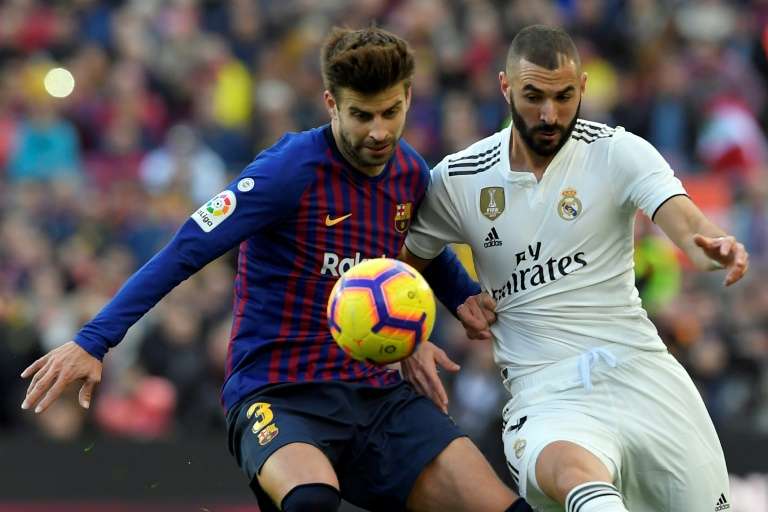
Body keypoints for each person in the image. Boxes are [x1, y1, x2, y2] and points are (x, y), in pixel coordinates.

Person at [20, 27, 531, 512]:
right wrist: (94, 340)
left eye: (390, 112)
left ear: (409, 98)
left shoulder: (410, 172)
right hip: (281, 393)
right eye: (361, 115)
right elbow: (185, 249)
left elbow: (420, 249)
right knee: (310, 501)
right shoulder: (287, 171)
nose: (379, 131)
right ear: (331, 103)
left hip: (376, 395)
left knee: (504, 506)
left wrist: (458, 298)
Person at [401, 25, 749, 512]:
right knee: (572, 472)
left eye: (564, 97)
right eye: (533, 97)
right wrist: (412, 336)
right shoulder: (460, 178)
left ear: (583, 87)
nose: (550, 114)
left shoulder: (617, 152)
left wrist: (716, 247)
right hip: (544, 393)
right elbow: (401, 269)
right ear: (505, 87)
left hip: (644, 374)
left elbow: (690, 228)